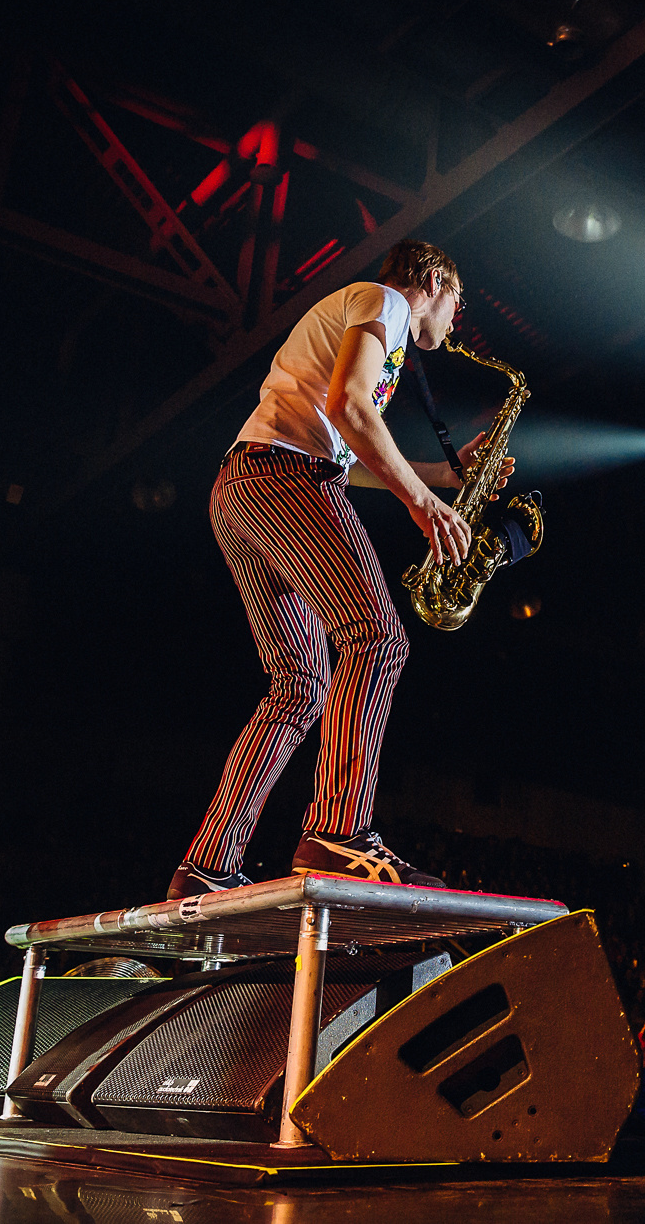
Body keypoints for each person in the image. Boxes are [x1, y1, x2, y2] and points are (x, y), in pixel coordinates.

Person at [167, 241, 512, 899]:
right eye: (456, 301)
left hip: (243, 486)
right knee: (376, 637)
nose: (457, 317)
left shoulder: (367, 318)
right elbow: (353, 409)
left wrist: (443, 474)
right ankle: (338, 832)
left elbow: (346, 434)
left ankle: (206, 864)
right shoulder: (384, 301)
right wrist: (423, 499)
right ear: (433, 279)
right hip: (284, 477)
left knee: (300, 685)